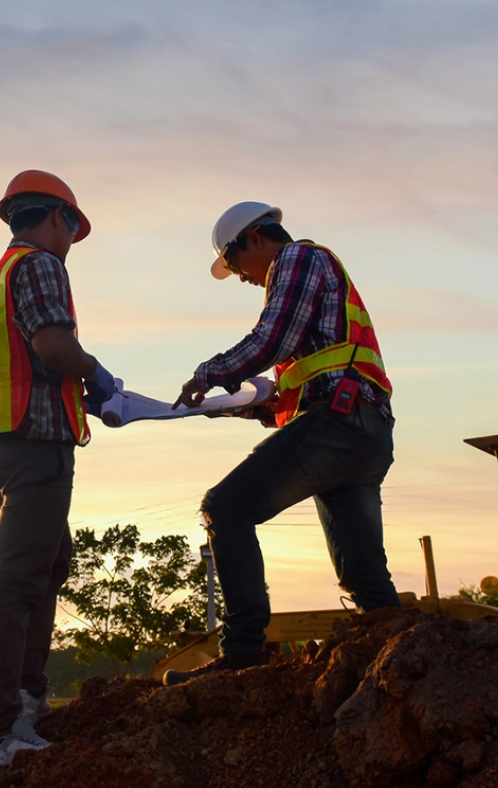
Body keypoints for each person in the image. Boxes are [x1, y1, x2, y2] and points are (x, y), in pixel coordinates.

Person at [164, 202, 399, 685]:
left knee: (225, 508)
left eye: (233, 265)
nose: (241, 278)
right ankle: (409, 663)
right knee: (364, 578)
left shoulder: (296, 260)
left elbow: (272, 338)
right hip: (360, 429)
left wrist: (209, 375)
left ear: (253, 238)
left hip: (340, 423)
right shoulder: (314, 277)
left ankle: (243, 652)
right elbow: (301, 381)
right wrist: (242, 405)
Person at [0, 170, 117, 766]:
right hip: (35, 447)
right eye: (71, 229)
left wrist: (75, 386)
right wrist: (95, 372)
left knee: (50, 563)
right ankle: (3, 731)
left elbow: (29, 362)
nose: (70, 243)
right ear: (57, 217)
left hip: (3, 444)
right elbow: (53, 345)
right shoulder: (39, 266)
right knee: (19, 582)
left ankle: (28, 699)